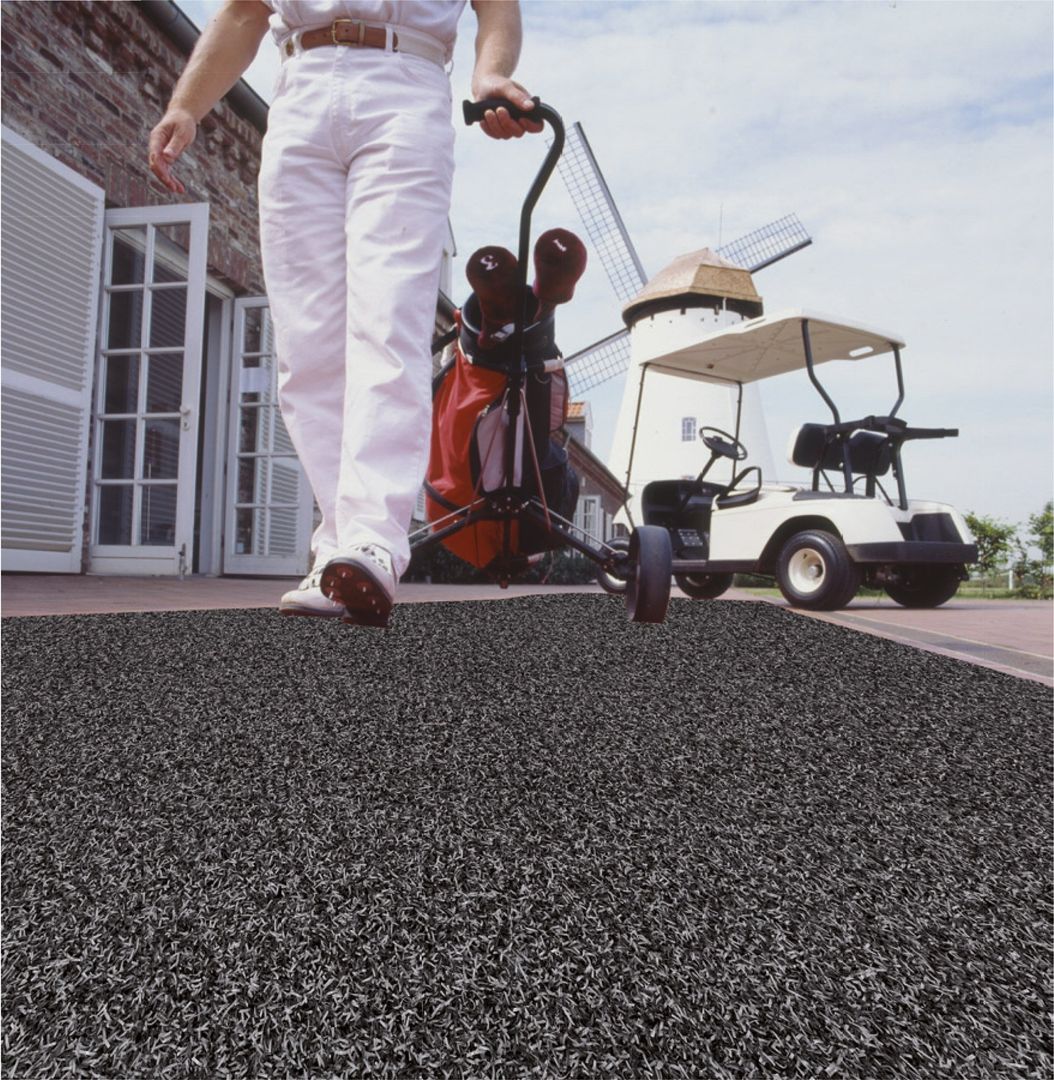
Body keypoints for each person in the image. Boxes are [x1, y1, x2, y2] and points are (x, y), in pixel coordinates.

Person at [149, 0, 542, 626]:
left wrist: (489, 74)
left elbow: (495, 4)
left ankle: (373, 540)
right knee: (306, 348)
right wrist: (185, 106)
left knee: (387, 324)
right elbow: (246, 11)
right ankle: (338, 548)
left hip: (404, 81)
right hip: (300, 88)